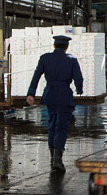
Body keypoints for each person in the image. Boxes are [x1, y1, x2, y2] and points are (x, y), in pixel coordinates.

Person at [26, 35, 84, 172]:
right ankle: (58, 159)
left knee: (52, 124)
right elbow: (78, 78)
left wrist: (31, 93)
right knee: (62, 127)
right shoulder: (71, 60)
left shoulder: (45, 58)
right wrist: (79, 89)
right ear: (66, 47)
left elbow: (36, 75)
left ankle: (53, 157)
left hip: (50, 95)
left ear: (54, 46)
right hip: (64, 96)